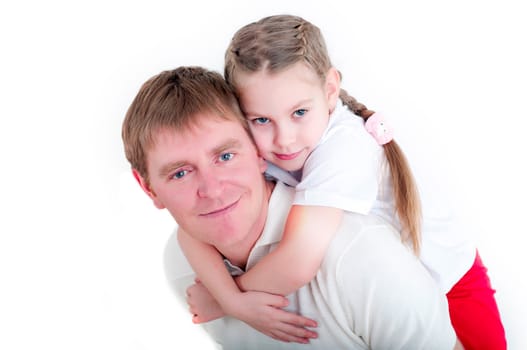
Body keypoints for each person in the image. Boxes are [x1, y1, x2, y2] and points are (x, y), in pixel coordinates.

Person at [178, 15, 506, 350]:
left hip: (452, 282)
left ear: (330, 90)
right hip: (378, 294)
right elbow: (188, 231)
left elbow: (299, 259)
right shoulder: (262, 152)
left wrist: (226, 301)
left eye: (299, 113)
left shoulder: (343, 148)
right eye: (262, 120)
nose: (285, 140)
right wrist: (229, 296)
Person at [122, 65, 462, 349]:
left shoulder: (362, 258)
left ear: (258, 152)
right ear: (148, 187)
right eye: (180, 173)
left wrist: (228, 298)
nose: (211, 190)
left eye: (225, 156)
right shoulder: (181, 264)